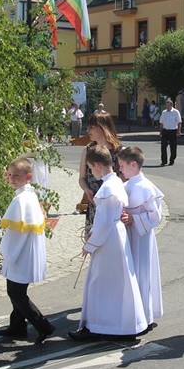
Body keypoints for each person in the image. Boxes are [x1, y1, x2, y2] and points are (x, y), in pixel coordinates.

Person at [70, 145, 147, 340]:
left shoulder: (106, 189)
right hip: (116, 238)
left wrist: (89, 245)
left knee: (101, 283)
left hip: (109, 242)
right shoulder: (116, 182)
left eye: (90, 168)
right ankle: (122, 324)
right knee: (117, 283)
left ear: (97, 165)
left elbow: (103, 224)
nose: (90, 173)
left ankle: (99, 326)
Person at [0, 157, 55, 344]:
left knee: (16, 293)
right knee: (16, 291)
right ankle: (17, 326)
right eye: (10, 175)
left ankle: (43, 325)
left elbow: (16, 233)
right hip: (24, 252)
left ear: (28, 176)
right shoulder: (28, 195)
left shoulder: (22, 199)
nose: (12, 179)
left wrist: (7, 251)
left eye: (16, 176)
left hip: (21, 254)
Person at [118, 146, 164, 330]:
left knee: (142, 273)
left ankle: (144, 315)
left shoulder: (146, 187)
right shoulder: (127, 184)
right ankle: (133, 314)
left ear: (134, 164)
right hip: (129, 235)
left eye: (122, 165)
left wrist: (133, 219)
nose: (120, 169)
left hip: (141, 237)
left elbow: (155, 216)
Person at [78, 112, 122, 237]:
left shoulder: (119, 151)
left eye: (91, 127)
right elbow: (81, 178)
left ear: (103, 127)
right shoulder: (87, 150)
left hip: (113, 206)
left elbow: (126, 180)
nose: (88, 130)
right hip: (94, 205)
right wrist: (87, 190)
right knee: (93, 243)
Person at [159, 98, 182, 166]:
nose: (167, 107)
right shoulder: (164, 112)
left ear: (171, 105)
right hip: (165, 131)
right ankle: (164, 161)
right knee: (163, 146)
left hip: (173, 131)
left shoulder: (176, 112)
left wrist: (179, 131)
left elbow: (179, 122)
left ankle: (172, 160)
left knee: (173, 147)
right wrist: (160, 132)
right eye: (166, 105)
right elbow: (161, 123)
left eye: (168, 105)